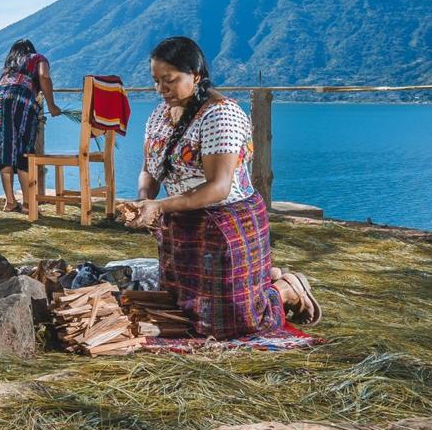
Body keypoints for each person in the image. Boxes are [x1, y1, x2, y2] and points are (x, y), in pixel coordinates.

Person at [125, 36, 321, 337]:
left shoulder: (221, 114)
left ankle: (285, 289)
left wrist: (159, 206)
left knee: (232, 324)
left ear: (196, 75)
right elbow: (148, 170)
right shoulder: (158, 116)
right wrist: (143, 201)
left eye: (169, 80)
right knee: (186, 314)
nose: (161, 89)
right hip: (181, 225)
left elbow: (218, 187)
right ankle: (259, 279)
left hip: (225, 225)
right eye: (156, 81)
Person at [0, 39, 62, 212]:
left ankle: (10, 202)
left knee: (4, 152)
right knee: (24, 151)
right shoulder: (38, 58)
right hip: (20, 101)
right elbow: (44, 76)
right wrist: (52, 105)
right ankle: (29, 204)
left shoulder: (9, 65)